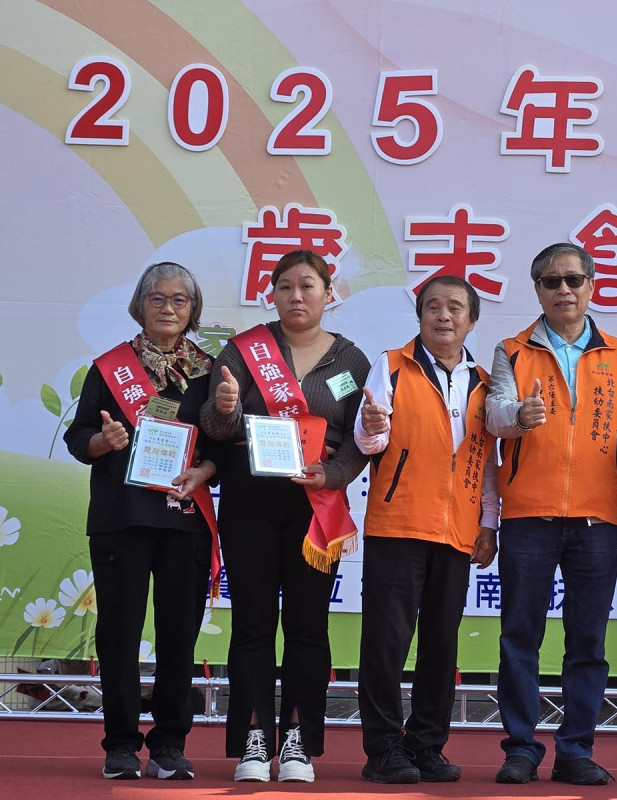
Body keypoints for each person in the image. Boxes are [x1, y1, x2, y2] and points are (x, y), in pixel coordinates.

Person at [201, 249, 369, 783]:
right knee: (252, 625)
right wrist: (225, 408)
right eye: (286, 287)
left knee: (307, 626)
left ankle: (298, 741)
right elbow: (216, 430)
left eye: (308, 286)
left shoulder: (351, 362)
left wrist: (334, 474)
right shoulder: (243, 350)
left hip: (315, 505)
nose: (297, 296)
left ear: (328, 294)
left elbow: (363, 439)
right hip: (249, 501)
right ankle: (253, 740)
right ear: (271, 294)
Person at [485, 242, 617, 786]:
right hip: (528, 515)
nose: (564, 290)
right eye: (551, 281)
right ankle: (520, 749)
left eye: (574, 279)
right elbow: (494, 414)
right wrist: (520, 414)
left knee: (588, 643)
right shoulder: (512, 350)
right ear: (537, 291)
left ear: (591, 286)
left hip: (599, 520)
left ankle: (576, 749)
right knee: (519, 637)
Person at [64, 262, 218, 781]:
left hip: (184, 519)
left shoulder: (210, 372)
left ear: (193, 309)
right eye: (157, 298)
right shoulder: (110, 367)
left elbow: (222, 446)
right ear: (139, 305)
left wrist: (203, 470)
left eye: (179, 299)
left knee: (179, 637)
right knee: (119, 634)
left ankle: (170, 745)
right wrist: (100, 441)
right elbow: (78, 437)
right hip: (121, 520)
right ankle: (121, 746)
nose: (168, 308)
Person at [353, 275, 500, 784]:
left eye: (455, 308)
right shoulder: (392, 364)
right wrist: (372, 426)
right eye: (433, 306)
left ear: (471, 321)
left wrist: (488, 524)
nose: (444, 315)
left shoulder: (485, 382)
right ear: (419, 317)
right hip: (398, 522)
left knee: (441, 643)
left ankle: (427, 745)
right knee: (387, 642)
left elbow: (486, 463)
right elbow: (369, 442)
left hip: (457, 530)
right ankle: (383, 749)